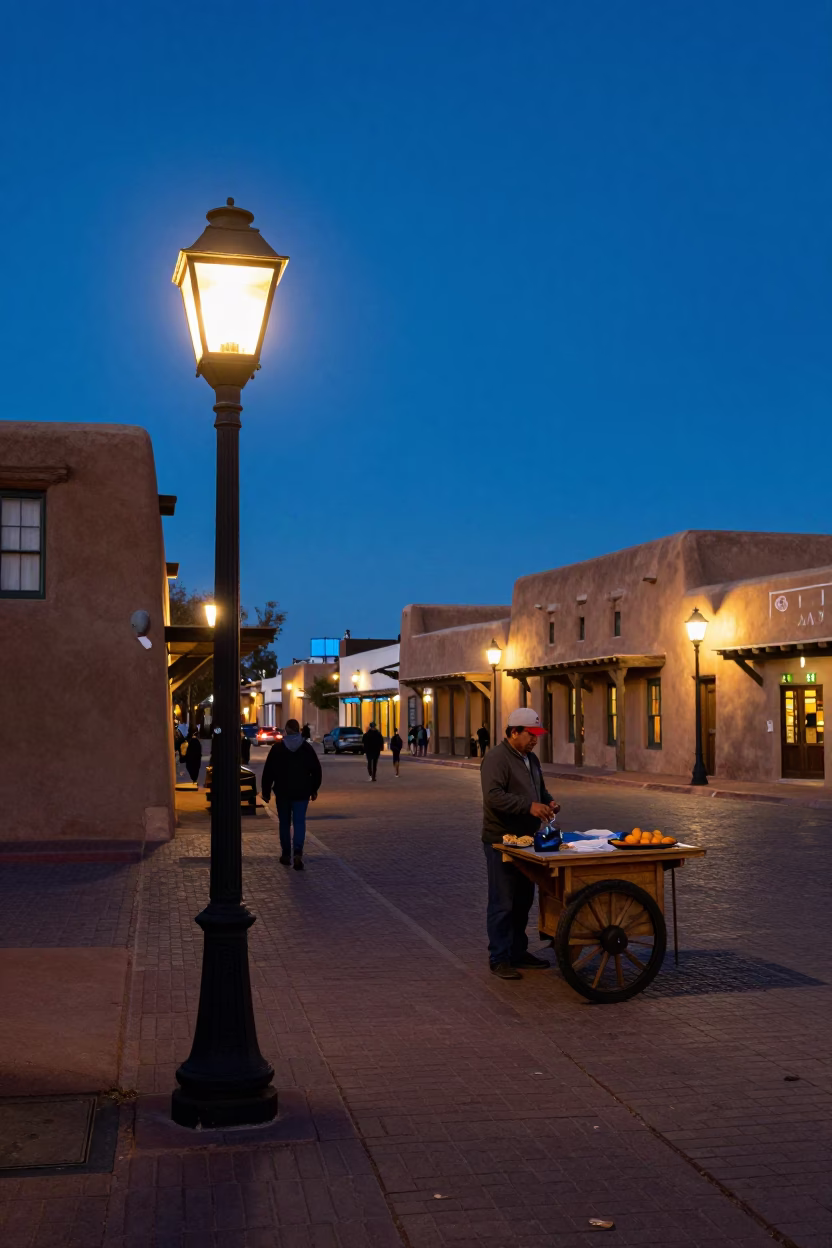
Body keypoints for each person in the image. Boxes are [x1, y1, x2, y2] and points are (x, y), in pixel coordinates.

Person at [480, 707, 560, 980]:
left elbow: (540, 789)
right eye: (531, 734)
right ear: (514, 732)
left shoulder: (531, 759)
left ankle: (517, 951)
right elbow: (494, 797)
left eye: (538, 734)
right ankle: (499, 957)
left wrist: (548, 802)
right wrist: (529, 807)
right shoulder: (496, 759)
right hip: (501, 840)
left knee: (523, 900)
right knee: (503, 901)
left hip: (528, 841)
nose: (535, 739)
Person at [261, 718, 322, 870]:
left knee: (284, 823)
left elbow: (268, 772)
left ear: (286, 731)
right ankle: (298, 852)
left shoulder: (277, 749)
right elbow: (316, 770)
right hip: (302, 792)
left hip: (282, 792)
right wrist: (314, 788)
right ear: (299, 730)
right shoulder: (306, 748)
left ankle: (286, 854)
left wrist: (267, 792)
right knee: (299, 822)